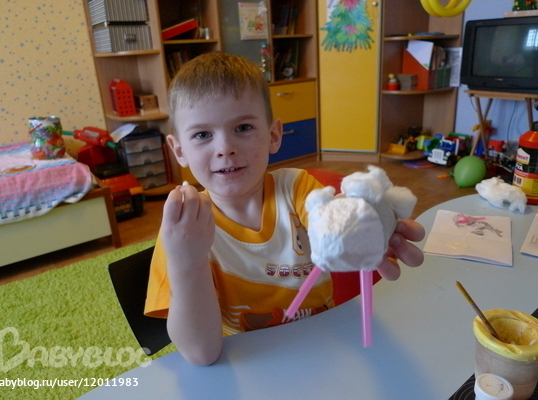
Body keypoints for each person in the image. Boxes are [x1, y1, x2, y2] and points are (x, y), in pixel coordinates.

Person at [144, 52, 425, 366]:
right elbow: (201, 353)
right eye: (202, 135)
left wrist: (372, 225)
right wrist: (188, 261)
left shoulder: (298, 189)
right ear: (179, 150)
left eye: (243, 127)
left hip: (324, 351)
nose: (225, 148)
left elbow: (336, 226)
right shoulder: (183, 230)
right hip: (250, 363)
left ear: (273, 136)